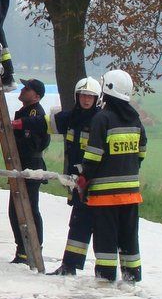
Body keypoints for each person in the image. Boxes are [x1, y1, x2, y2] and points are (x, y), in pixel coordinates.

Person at [12, 76, 101, 276]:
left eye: (91, 97)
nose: (86, 100)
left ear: (97, 99)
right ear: (77, 96)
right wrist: (20, 124)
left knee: (100, 226)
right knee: (77, 223)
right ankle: (69, 266)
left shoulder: (100, 120)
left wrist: (89, 175)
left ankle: (105, 271)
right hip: (78, 180)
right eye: (83, 96)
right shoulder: (71, 117)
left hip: (95, 182)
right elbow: (43, 123)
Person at [77, 69, 147, 282]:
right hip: (131, 195)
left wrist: (84, 178)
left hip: (105, 197)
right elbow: (141, 151)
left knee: (106, 240)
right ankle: (132, 278)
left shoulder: (102, 119)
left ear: (107, 91)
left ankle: (106, 280)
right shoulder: (135, 119)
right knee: (129, 240)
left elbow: (94, 156)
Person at [0, 78, 50, 263]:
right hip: (20, 166)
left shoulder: (36, 115)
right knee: (15, 209)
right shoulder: (24, 112)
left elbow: (30, 144)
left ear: (36, 95)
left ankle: (33, 247)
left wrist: (10, 136)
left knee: (30, 209)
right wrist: (3, 135)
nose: (23, 90)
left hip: (31, 167)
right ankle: (22, 249)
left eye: (28, 88)